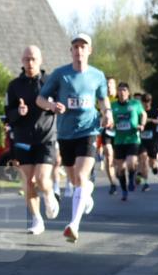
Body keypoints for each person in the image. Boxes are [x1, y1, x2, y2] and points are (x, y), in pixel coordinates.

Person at [36, 33, 112, 243]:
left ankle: (73, 224)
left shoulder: (97, 75)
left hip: (89, 130)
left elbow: (104, 100)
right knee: (74, 179)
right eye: (75, 47)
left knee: (80, 175)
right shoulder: (61, 74)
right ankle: (85, 193)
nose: (79, 50)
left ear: (89, 50)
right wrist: (52, 105)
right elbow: (40, 99)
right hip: (66, 133)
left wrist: (108, 113)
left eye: (83, 46)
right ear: (71, 51)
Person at [5, 45, 59, 235]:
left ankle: (49, 194)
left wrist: (55, 106)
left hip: (46, 137)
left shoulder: (50, 82)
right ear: (22, 61)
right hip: (23, 138)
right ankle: (37, 219)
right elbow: (8, 114)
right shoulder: (14, 86)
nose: (30, 63)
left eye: (33, 59)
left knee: (43, 180)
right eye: (26, 59)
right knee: (28, 181)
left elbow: (60, 104)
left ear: (40, 60)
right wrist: (17, 113)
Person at [110, 82, 147, 201]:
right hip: (119, 140)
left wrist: (142, 124)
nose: (122, 92)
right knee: (120, 169)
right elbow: (108, 118)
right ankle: (124, 191)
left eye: (124, 90)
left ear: (128, 92)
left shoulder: (135, 104)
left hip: (133, 138)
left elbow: (144, 114)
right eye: (119, 90)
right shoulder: (113, 105)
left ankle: (131, 179)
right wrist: (110, 124)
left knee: (131, 162)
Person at [138, 93, 158, 190]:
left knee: (152, 163)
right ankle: (146, 183)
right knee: (143, 159)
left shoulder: (155, 111)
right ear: (141, 102)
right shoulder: (139, 111)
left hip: (152, 140)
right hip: (141, 140)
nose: (146, 104)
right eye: (144, 101)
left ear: (151, 102)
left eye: (148, 101)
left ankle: (155, 167)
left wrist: (150, 120)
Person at [99, 77, 119, 195]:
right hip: (106, 131)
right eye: (106, 84)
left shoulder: (121, 98)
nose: (108, 86)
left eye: (111, 84)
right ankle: (112, 183)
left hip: (121, 133)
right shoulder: (101, 99)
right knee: (108, 154)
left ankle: (119, 173)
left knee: (118, 159)